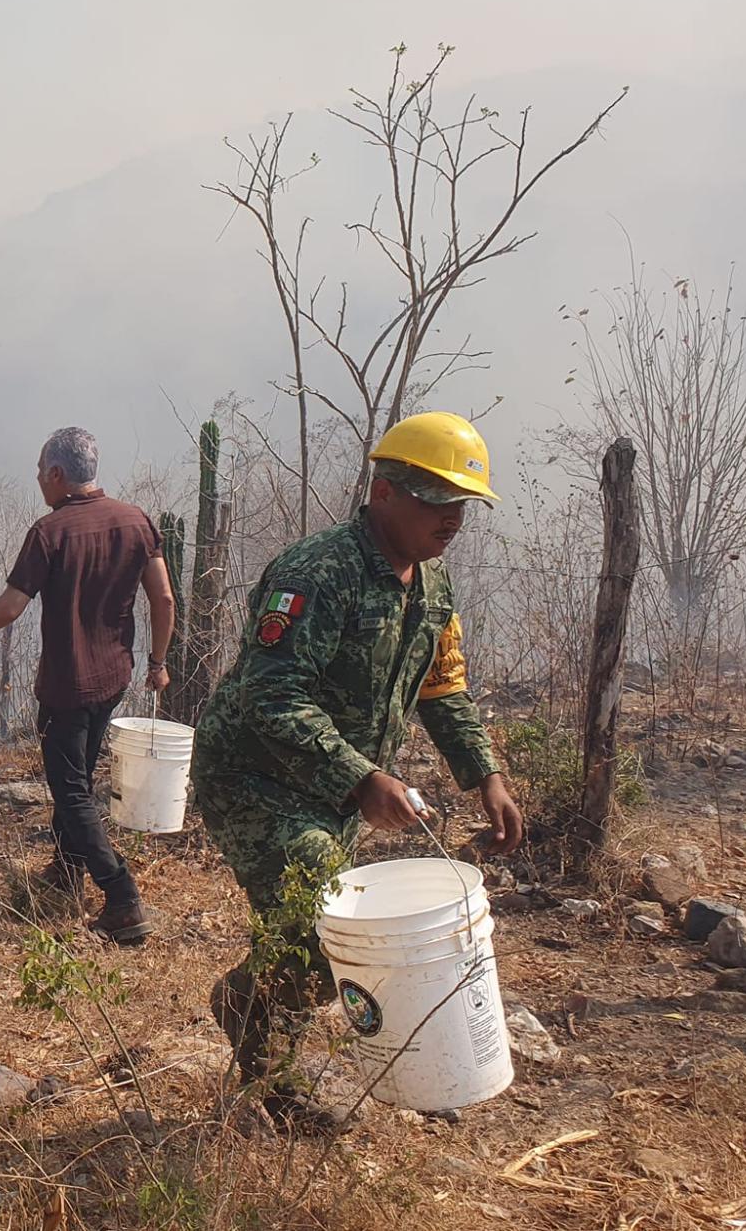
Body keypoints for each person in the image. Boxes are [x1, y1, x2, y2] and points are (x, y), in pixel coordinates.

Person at [191, 411, 524, 1123]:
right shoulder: (317, 573)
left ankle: (254, 1025)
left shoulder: (433, 593)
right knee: (322, 922)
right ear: (383, 493)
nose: (452, 520)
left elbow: (443, 689)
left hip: (335, 788)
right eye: (435, 500)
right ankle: (270, 1071)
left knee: (316, 938)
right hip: (254, 777)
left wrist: (484, 776)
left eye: (461, 504)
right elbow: (270, 697)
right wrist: (362, 779)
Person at [0, 427, 176, 944]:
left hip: (66, 685)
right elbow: (163, 601)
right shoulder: (135, 520)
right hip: (114, 678)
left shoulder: (51, 533)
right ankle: (66, 869)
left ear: (57, 474)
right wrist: (157, 662)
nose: (37, 481)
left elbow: (10, 607)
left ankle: (121, 897)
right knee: (77, 773)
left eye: (38, 471)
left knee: (70, 788)